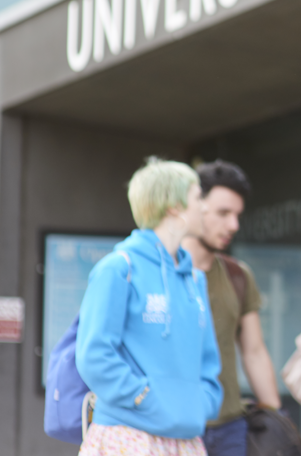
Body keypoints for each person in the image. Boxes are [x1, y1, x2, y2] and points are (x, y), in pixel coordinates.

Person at [77, 157, 223, 456]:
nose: (205, 207)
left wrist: (201, 403)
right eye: (198, 197)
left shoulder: (195, 279)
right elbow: (94, 355)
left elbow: (208, 362)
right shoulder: (118, 268)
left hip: (186, 440)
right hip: (127, 436)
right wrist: (144, 397)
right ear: (174, 207)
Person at [180, 160, 281, 456]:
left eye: (237, 215)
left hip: (229, 430)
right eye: (223, 213)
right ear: (194, 205)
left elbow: (254, 351)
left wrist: (276, 423)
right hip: (174, 428)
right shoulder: (156, 272)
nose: (233, 226)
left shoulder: (239, 275)